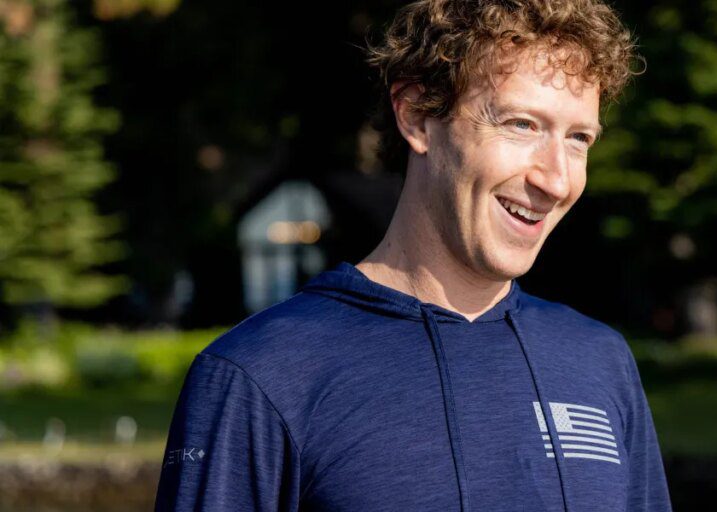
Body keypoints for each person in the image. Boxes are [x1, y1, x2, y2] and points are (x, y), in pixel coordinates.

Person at [155, 0, 671, 510]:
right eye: (521, 124)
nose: (556, 180)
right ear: (418, 117)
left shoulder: (599, 361)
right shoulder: (259, 375)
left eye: (579, 138)